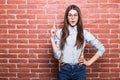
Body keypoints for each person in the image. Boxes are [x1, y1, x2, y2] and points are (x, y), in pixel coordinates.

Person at [50, 4, 105, 80]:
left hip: (80, 71)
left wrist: (89, 62)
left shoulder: (84, 33)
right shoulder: (59, 33)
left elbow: (101, 48)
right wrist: (52, 38)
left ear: (78, 17)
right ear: (67, 17)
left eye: (75, 15)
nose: (73, 18)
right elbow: (57, 56)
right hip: (64, 71)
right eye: (70, 15)